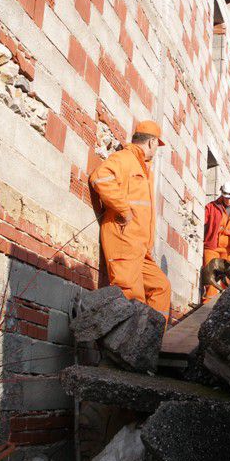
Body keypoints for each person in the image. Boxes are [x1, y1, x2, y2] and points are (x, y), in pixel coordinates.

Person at [89, 120, 171, 322]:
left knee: (161, 287)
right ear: (152, 142)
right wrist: (123, 210)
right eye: (157, 146)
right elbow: (100, 177)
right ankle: (129, 349)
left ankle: (151, 341)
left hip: (140, 248)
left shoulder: (143, 168)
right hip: (124, 241)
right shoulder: (125, 158)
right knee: (132, 296)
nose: (156, 151)